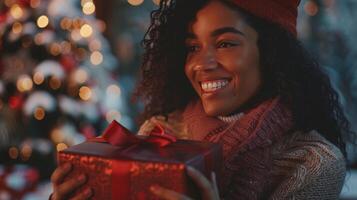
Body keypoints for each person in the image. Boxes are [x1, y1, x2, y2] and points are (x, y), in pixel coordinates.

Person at [50, 0, 354, 199]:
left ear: (272, 54)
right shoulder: (160, 132)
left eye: (225, 43)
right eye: (192, 47)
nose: (201, 63)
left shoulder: (313, 162)